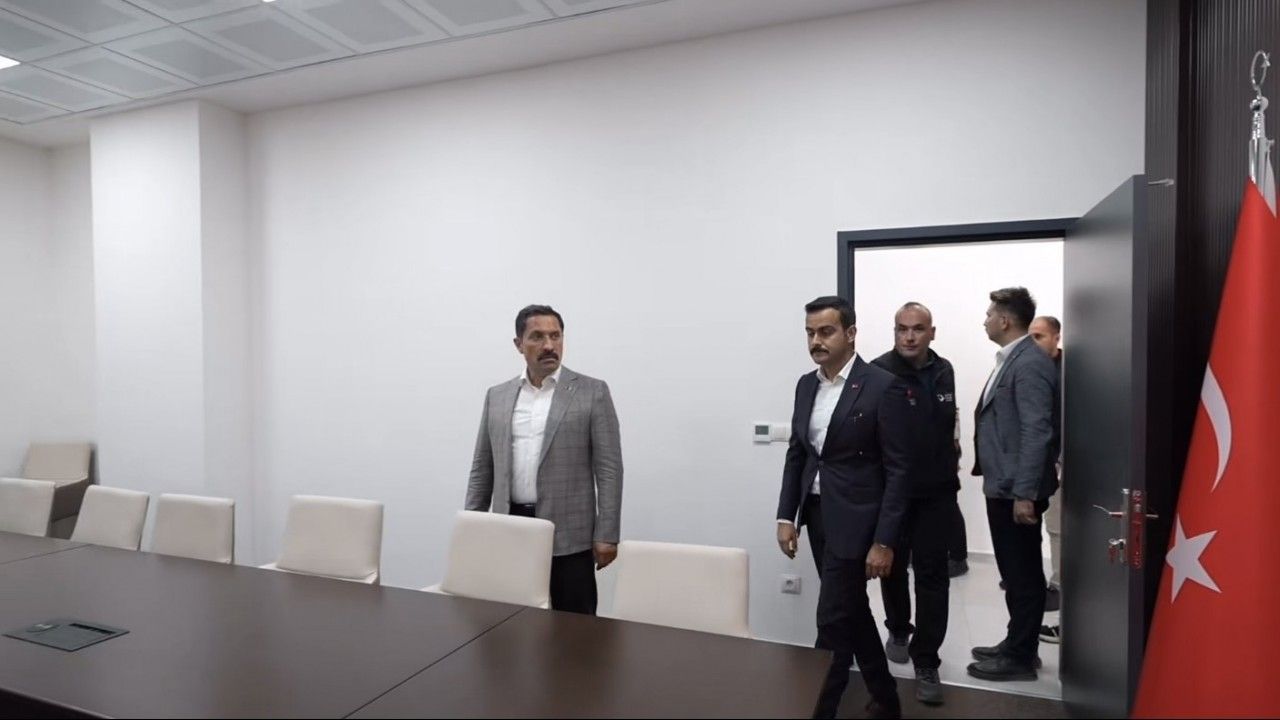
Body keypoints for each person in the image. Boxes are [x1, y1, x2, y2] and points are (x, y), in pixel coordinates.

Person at [775, 296, 911, 719]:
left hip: (859, 521)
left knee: (832, 619)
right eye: (810, 333)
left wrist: (884, 541)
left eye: (826, 331)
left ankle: (821, 709)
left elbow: (899, 471)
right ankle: (886, 698)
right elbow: (798, 453)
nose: (816, 341)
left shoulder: (881, 386)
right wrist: (786, 515)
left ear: (850, 333)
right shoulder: (806, 385)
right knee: (851, 609)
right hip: (817, 516)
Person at [465, 304, 623, 615]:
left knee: (575, 627)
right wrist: (472, 524)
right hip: (510, 527)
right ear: (519, 344)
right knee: (509, 622)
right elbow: (483, 466)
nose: (549, 345)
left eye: (555, 336)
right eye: (537, 337)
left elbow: (609, 469)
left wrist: (607, 534)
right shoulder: (497, 396)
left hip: (570, 532)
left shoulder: (592, 392)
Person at [967, 288, 1059, 681]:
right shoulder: (1014, 359)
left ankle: (1020, 657)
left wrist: (1025, 493)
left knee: (1022, 575)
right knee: (1016, 572)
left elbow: (1037, 431)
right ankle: (1017, 643)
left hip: (1016, 490)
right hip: (1003, 485)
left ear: (1005, 320)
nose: (985, 320)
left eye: (989, 314)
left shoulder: (1030, 363)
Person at [871, 302, 960, 706]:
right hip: (894, 493)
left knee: (932, 576)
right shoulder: (879, 372)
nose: (909, 336)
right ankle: (898, 628)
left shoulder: (944, 370)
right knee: (891, 568)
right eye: (902, 328)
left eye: (918, 329)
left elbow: (947, 427)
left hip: (937, 493)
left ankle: (927, 660)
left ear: (932, 332)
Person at [1029, 314, 1064, 640]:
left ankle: (1060, 589)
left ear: (1056, 337)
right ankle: (1055, 586)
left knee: (1060, 530)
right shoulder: (1035, 370)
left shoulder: (1069, 372)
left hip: (1066, 465)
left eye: (1039, 336)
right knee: (1053, 529)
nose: (1034, 343)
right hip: (1046, 467)